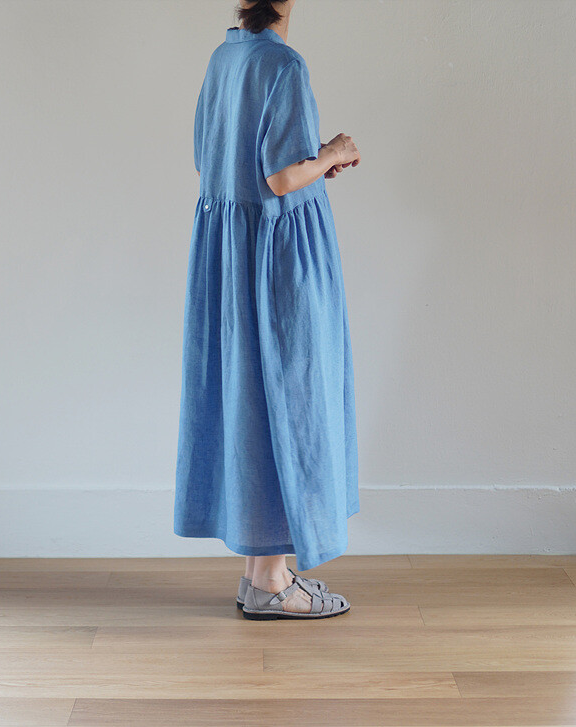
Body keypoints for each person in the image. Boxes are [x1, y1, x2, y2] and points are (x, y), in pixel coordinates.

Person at [173, 0, 361, 620]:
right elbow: (281, 178)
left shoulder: (224, 58)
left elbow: (212, 160)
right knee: (293, 396)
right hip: (279, 256)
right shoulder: (284, 64)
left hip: (232, 255)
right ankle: (275, 583)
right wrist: (330, 153)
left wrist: (311, 162)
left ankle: (261, 575)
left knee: (252, 398)